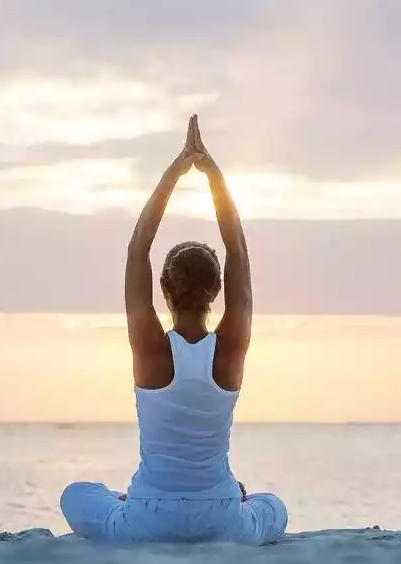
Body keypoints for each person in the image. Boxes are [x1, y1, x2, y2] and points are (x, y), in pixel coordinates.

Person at [59, 114, 287, 545]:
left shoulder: (149, 348)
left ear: (163, 288)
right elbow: (236, 246)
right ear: (217, 291)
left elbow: (137, 246)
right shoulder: (230, 349)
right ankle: (237, 497)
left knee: (75, 495)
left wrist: (176, 171)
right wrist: (212, 174)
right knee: (274, 507)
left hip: (147, 516)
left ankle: (125, 500)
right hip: (222, 516)